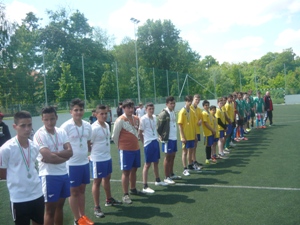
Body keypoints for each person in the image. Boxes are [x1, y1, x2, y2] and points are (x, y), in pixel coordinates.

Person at [0, 111, 44, 225]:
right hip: (19, 198)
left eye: (29, 125)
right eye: (23, 125)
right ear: (15, 127)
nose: (27, 129)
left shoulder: (34, 146)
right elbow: (2, 173)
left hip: (37, 194)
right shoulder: (6, 149)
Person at [34, 106, 73, 225]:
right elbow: (49, 157)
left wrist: (54, 154)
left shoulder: (61, 131)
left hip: (63, 174)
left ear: (56, 117)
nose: (49, 122)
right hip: (49, 176)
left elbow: (70, 152)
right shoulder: (39, 134)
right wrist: (64, 156)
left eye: (52, 119)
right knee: (50, 210)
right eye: (46, 120)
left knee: (60, 207)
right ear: (42, 119)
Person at [60, 98, 94, 225]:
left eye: (80, 110)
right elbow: (62, 145)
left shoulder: (87, 125)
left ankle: (83, 216)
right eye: (76, 110)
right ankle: (76, 219)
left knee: (82, 191)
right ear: (71, 111)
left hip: (84, 163)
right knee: (73, 192)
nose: (78, 112)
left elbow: (88, 142)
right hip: (71, 164)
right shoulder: (65, 126)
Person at [90, 105, 122, 218]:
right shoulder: (93, 128)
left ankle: (109, 199)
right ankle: (96, 207)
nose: (104, 116)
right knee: (97, 182)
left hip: (107, 157)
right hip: (97, 159)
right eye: (101, 114)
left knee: (107, 178)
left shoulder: (107, 125)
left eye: (105, 113)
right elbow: (89, 143)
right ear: (96, 114)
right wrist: (90, 155)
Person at [112, 99, 141, 204]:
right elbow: (115, 136)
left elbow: (137, 132)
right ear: (123, 108)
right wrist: (120, 147)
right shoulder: (120, 120)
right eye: (128, 107)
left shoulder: (137, 118)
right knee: (126, 172)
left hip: (136, 148)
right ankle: (125, 194)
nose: (130, 109)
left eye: (132, 107)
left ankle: (133, 188)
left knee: (134, 169)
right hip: (125, 150)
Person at [138, 102, 167, 194]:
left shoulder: (154, 117)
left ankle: (157, 180)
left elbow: (154, 129)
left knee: (156, 162)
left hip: (155, 141)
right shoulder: (143, 119)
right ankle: (145, 186)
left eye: (152, 108)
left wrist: (158, 136)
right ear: (146, 110)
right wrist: (144, 143)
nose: (151, 110)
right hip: (148, 143)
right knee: (147, 164)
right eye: (149, 109)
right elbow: (140, 133)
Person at [157, 96, 180, 185]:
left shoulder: (173, 112)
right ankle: (167, 177)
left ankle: (171, 173)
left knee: (173, 156)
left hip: (174, 137)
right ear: (167, 104)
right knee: (168, 157)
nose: (173, 105)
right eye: (171, 103)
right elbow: (159, 127)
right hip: (167, 139)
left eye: (174, 103)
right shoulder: (164, 113)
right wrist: (162, 136)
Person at [178, 95, 197, 176]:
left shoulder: (192, 112)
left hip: (191, 135)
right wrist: (182, 136)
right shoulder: (182, 111)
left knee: (191, 150)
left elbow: (194, 124)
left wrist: (195, 134)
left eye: (191, 101)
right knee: (185, 152)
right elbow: (180, 125)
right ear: (185, 101)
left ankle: (190, 165)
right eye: (188, 101)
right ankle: (185, 168)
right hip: (185, 135)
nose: (190, 103)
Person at [189, 94, 203, 170]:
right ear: (193, 99)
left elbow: (201, 118)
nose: (197, 101)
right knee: (192, 147)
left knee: (195, 146)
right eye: (196, 99)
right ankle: (192, 162)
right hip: (192, 131)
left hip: (197, 130)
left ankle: (194, 160)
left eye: (198, 100)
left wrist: (200, 121)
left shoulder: (199, 109)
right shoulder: (190, 108)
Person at [202, 100, 216, 165]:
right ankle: (207, 158)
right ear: (203, 106)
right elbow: (205, 123)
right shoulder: (204, 113)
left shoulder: (209, 113)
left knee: (210, 145)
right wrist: (212, 130)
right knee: (207, 145)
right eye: (205, 105)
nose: (207, 106)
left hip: (210, 132)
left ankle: (209, 157)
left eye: (208, 105)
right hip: (207, 132)